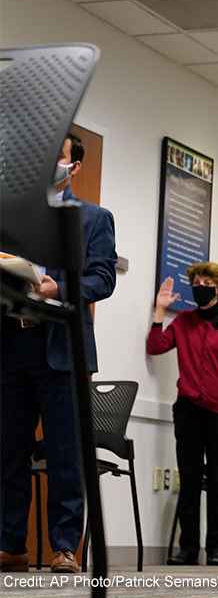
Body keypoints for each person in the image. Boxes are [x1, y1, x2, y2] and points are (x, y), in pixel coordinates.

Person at [1, 133, 117, 574]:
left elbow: (103, 278)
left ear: (75, 167)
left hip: (62, 350)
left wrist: (59, 287)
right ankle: (11, 544)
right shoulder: (11, 216)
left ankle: (64, 547)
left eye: (60, 156)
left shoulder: (94, 219)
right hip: (12, 345)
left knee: (66, 455)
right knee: (8, 452)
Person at [147, 262, 218, 567]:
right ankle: (187, 548)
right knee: (189, 480)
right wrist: (160, 310)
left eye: (206, 281)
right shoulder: (184, 321)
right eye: (196, 280)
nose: (199, 285)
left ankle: (216, 548)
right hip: (189, 411)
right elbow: (155, 346)